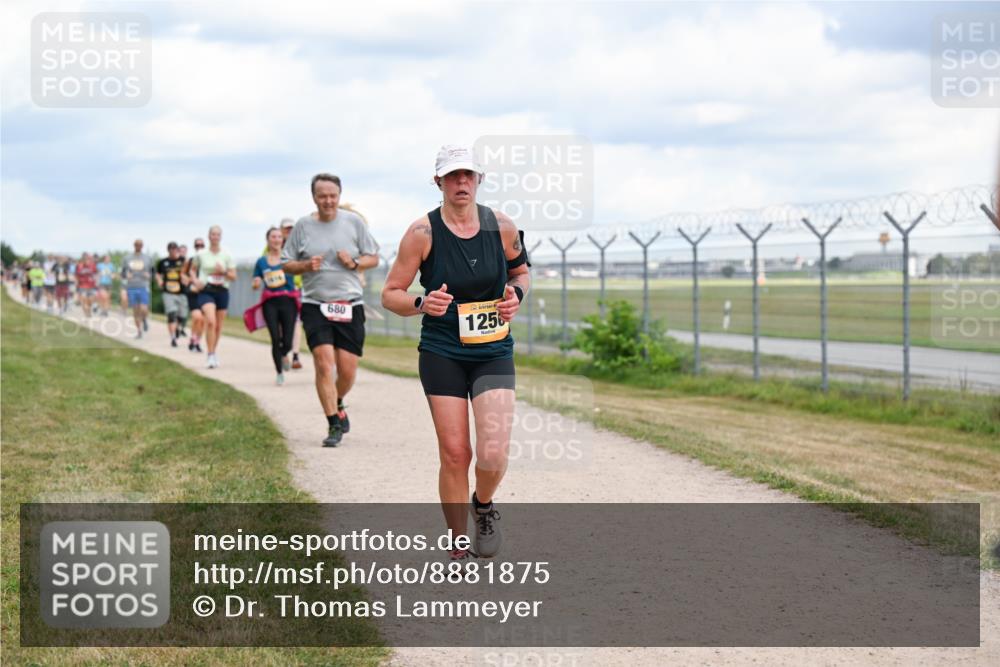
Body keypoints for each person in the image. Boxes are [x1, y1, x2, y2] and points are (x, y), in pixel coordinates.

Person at [381, 145, 530, 565]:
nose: (461, 183)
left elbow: (521, 271)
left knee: (494, 452)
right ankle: (458, 541)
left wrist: (516, 294)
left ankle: (482, 504)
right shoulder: (421, 234)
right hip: (442, 349)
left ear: (479, 179)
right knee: (455, 452)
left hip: (493, 350)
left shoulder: (501, 226)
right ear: (439, 182)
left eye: (468, 175)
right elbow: (390, 293)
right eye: (452, 176)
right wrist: (420, 304)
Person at [282, 173, 380, 447]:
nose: (328, 200)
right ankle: (333, 424)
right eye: (322, 196)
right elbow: (286, 263)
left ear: (339, 196)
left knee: (347, 371)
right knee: (324, 365)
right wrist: (304, 266)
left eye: (332, 196)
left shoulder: (353, 223)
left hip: (349, 304)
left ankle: (337, 401)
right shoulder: (302, 226)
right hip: (316, 304)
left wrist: (354, 262)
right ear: (314, 197)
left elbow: (374, 258)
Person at [253, 227, 300, 385]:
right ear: (268, 239)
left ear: (283, 240)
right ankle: (279, 372)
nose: (276, 239)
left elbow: (300, 271)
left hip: (288, 301)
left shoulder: (289, 258)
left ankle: (284, 353)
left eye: (279, 236)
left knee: (287, 340)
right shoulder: (261, 261)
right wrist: (257, 282)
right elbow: (255, 280)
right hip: (270, 303)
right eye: (273, 236)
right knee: (275, 338)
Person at [190, 226, 236, 368]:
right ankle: (210, 355)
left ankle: (213, 352)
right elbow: (192, 269)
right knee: (210, 321)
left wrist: (223, 271)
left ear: (220, 237)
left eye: (218, 234)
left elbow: (233, 276)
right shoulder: (201, 254)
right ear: (209, 236)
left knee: (218, 326)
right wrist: (195, 280)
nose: (215, 237)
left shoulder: (227, 255)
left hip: (222, 291)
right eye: (213, 234)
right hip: (206, 290)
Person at [279, 218, 305, 370]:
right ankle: (284, 353)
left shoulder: (300, 246)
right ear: (281, 230)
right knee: (282, 324)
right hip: (278, 290)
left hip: (296, 289)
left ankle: (295, 355)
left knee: (296, 323)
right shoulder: (273, 245)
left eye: (291, 228)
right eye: (286, 229)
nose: (289, 231)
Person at [156, 242, 189, 348]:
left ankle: (178, 328)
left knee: (182, 316)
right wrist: (159, 281)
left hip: (182, 292)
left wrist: (186, 280)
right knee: (171, 314)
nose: (173, 251)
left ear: (177, 250)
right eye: (171, 249)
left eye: (175, 249)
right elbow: (158, 273)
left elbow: (190, 273)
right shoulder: (163, 262)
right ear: (168, 250)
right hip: (168, 292)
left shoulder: (183, 261)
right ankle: (173, 338)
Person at [182, 238, 206, 352]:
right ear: (194, 247)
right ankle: (193, 337)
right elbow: (183, 274)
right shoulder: (191, 260)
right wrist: (188, 281)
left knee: (202, 320)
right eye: (197, 245)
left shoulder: (208, 260)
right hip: (193, 292)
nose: (199, 247)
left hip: (205, 293)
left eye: (201, 245)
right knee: (197, 317)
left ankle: (196, 341)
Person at [74, 252, 98, 317]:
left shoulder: (93, 265)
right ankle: (86, 314)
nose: (87, 260)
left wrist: (96, 281)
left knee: (90, 301)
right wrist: (76, 284)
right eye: (85, 259)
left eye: (88, 258)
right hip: (82, 286)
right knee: (83, 300)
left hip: (91, 286)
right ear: (83, 259)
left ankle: (89, 311)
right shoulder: (79, 266)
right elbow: (76, 275)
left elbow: (96, 274)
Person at [175, 244, 190, 337]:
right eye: (181, 251)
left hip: (185, 290)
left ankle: (182, 328)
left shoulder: (189, 262)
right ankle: (177, 329)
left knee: (184, 312)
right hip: (175, 290)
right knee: (176, 311)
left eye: (184, 251)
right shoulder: (175, 262)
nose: (183, 252)